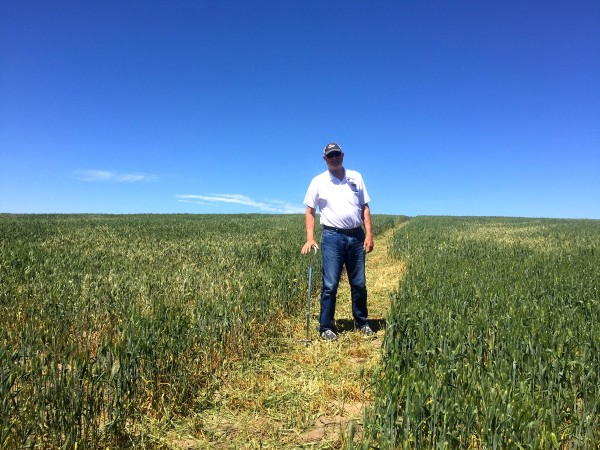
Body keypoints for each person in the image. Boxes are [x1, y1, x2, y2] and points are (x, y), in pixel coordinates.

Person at [301, 142, 374, 341]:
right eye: (330, 156)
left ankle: (362, 322)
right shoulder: (318, 181)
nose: (334, 158)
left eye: (337, 154)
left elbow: (364, 207)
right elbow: (310, 211)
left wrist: (368, 234)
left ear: (343, 155)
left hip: (356, 236)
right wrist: (310, 238)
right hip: (332, 237)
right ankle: (325, 326)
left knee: (359, 283)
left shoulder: (356, 177)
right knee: (330, 284)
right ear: (325, 159)